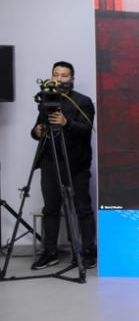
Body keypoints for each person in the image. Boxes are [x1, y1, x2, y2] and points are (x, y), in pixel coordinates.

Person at [30, 61, 97, 269]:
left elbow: (86, 129)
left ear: (72, 79)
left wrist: (66, 123)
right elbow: (37, 128)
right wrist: (36, 131)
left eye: (64, 75)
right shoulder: (47, 100)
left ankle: (88, 251)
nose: (59, 79)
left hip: (76, 163)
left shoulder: (83, 101)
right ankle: (50, 252)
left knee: (82, 208)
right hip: (50, 162)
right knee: (50, 209)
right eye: (56, 74)